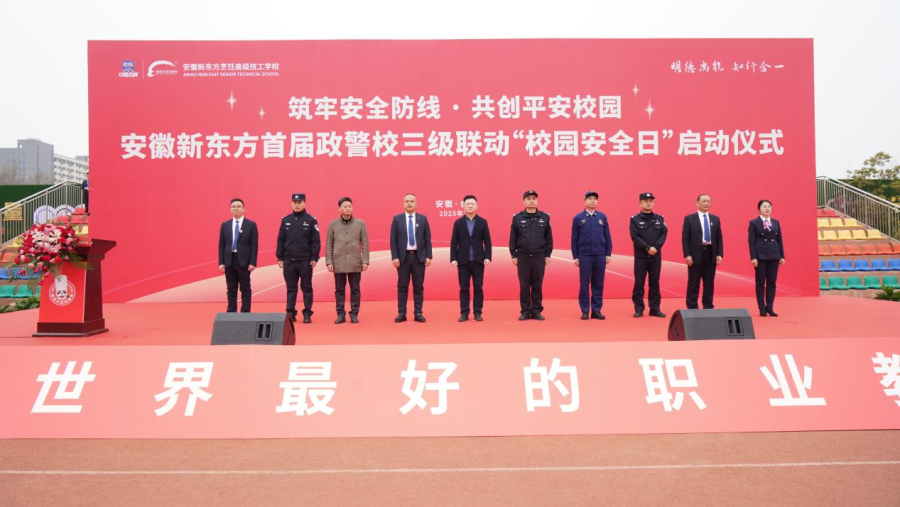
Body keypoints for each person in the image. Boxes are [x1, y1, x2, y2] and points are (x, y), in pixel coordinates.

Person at [509, 190, 553, 321]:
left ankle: (536, 311)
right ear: (524, 202)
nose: (531, 201)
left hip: (539, 256)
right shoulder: (517, 218)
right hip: (523, 256)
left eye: (534, 198)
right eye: (528, 199)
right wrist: (513, 255)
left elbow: (549, 238)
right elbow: (513, 239)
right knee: (524, 286)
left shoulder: (544, 217)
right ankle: (525, 311)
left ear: (537, 201)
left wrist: (547, 255)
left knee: (537, 285)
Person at [276, 193, 320, 323]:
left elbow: (315, 241)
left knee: (306, 287)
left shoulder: (311, 220)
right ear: (291, 203)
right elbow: (280, 240)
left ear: (304, 203)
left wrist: (314, 258)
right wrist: (280, 257)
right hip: (289, 260)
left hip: (305, 261)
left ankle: (307, 313)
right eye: (294, 202)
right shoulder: (286, 220)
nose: (297, 205)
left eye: (299, 202)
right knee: (291, 288)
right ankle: (290, 312)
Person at [325, 197, 370, 324]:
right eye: (345, 206)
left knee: (355, 289)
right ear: (339, 209)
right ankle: (340, 314)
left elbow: (365, 243)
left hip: (355, 262)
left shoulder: (360, 223)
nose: (348, 208)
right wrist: (329, 261)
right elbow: (329, 244)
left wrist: (365, 260)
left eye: (350, 206)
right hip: (338, 262)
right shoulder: (333, 224)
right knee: (339, 290)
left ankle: (354, 314)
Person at [390, 193, 432, 322]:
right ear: (403, 204)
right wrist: (395, 257)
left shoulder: (423, 219)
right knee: (402, 286)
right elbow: (393, 239)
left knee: (418, 286)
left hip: (419, 258)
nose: (409, 203)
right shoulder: (397, 219)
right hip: (403, 258)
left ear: (416, 204)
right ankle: (401, 313)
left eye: (412, 201)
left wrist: (428, 256)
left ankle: (418, 313)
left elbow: (427, 239)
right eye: (407, 201)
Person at [450, 195, 492, 322]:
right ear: (463, 206)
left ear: (476, 206)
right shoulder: (458, 223)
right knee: (464, 288)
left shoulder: (483, 222)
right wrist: (453, 258)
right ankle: (464, 313)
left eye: (472, 204)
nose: (469, 206)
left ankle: (478, 312)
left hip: (478, 260)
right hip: (463, 260)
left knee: (478, 287)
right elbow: (454, 242)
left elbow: (487, 241)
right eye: (467, 204)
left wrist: (488, 257)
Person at [571, 190, 612, 320]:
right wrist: (575, 256)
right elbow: (574, 239)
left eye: (595, 199)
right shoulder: (578, 218)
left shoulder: (602, 217)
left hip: (600, 255)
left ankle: (596, 310)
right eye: (590, 199)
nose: (592, 201)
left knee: (598, 283)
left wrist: (608, 253)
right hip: (584, 256)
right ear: (584, 201)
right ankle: (585, 310)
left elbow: (607, 236)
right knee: (584, 284)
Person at [629, 192, 667, 318]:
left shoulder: (660, 218)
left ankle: (655, 309)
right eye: (646, 201)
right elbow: (635, 236)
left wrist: (655, 247)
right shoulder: (634, 219)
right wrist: (647, 248)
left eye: (651, 201)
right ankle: (639, 308)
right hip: (641, 256)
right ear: (640, 203)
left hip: (655, 255)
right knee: (639, 283)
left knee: (655, 283)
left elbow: (663, 234)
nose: (649, 203)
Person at [682, 194, 723, 309]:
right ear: (697, 203)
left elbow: (719, 238)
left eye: (708, 201)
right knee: (693, 283)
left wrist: (719, 254)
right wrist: (687, 255)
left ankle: (708, 306)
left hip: (711, 254)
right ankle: (692, 307)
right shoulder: (689, 219)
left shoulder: (715, 219)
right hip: (695, 255)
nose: (706, 203)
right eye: (703, 201)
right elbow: (685, 238)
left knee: (709, 283)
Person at [218, 198, 258, 313]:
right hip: (229, 261)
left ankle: (245, 312)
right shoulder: (225, 225)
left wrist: (252, 262)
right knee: (231, 288)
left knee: (245, 288)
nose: (236, 209)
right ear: (230, 209)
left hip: (244, 262)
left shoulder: (251, 225)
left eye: (238, 206)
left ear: (243, 209)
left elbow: (254, 245)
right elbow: (221, 245)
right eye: (233, 207)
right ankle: (231, 312)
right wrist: (221, 262)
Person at [748, 199, 785, 317]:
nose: (767, 208)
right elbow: (751, 241)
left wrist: (782, 255)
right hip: (760, 256)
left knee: (772, 283)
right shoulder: (754, 223)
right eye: (764, 206)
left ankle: (770, 307)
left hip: (774, 255)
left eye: (769, 206)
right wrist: (753, 257)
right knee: (760, 282)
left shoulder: (775, 222)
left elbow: (779, 240)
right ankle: (761, 307)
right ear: (759, 209)